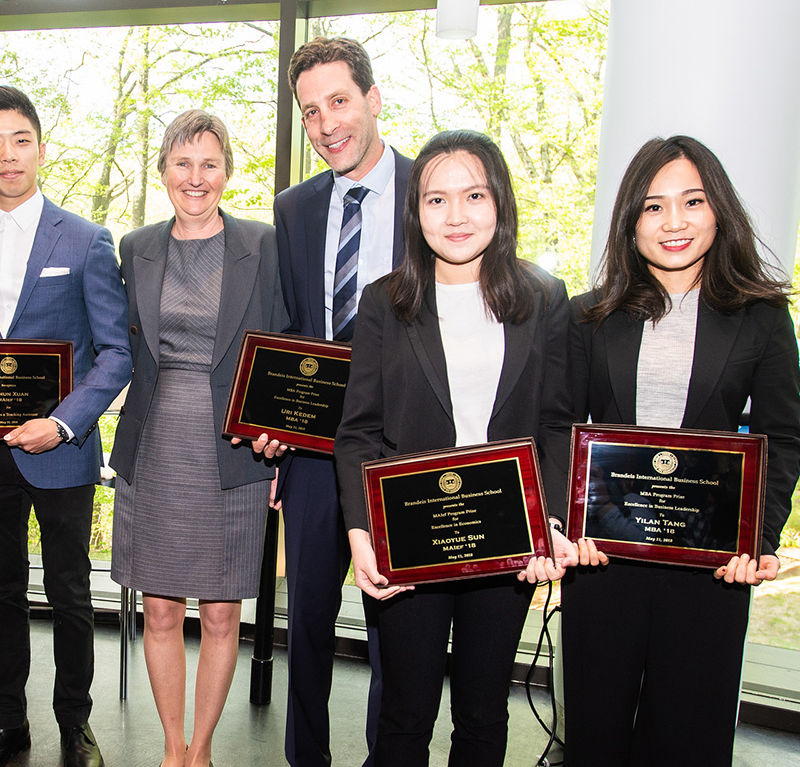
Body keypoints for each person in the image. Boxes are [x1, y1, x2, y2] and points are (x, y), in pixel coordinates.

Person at [333, 129, 576, 766]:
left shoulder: (545, 299)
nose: (457, 214)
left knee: (481, 709)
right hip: (409, 537)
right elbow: (358, 429)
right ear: (416, 213)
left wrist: (550, 520)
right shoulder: (386, 302)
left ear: (500, 202)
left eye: (473, 195)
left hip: (509, 540)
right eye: (436, 200)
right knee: (403, 712)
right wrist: (361, 532)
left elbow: (556, 425)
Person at [561, 135, 800, 766]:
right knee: (594, 735)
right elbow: (559, 427)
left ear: (717, 210)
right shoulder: (589, 316)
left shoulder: (763, 317)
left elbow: (784, 436)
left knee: (691, 737)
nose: (673, 222)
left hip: (712, 569)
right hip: (602, 562)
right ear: (630, 224)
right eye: (652, 206)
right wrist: (566, 523)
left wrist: (757, 537)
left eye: (691, 201)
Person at [0, 85, 130, 767]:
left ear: (41, 148)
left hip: (60, 450)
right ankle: (9, 721)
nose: (7, 154)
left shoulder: (85, 238)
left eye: (20, 139)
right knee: (1, 588)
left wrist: (65, 422)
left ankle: (75, 725)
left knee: (72, 590)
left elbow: (115, 353)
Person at [109, 109, 286, 767]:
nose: (196, 176)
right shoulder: (136, 246)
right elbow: (119, 345)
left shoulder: (263, 247)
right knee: (159, 610)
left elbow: (286, 351)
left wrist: (281, 449)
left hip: (233, 449)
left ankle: (202, 749)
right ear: (162, 171)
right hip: (154, 445)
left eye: (210, 163)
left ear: (227, 171)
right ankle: (170, 746)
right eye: (182, 162)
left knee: (220, 614)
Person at [270, 36, 413, 766]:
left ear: (372, 99)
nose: (326, 124)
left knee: (400, 639)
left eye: (339, 102)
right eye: (311, 111)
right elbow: (292, 330)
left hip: (406, 455)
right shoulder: (292, 209)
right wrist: (274, 423)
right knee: (309, 629)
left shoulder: (434, 195)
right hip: (315, 454)